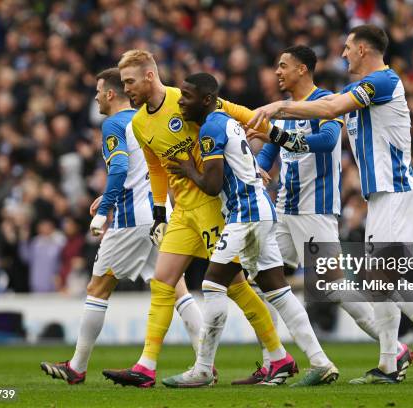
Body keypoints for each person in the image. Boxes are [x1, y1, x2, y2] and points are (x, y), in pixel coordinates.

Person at [248, 25, 413, 385]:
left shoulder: (383, 82)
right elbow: (324, 107)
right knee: (378, 280)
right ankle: (391, 364)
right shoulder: (354, 90)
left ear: (363, 49)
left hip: (396, 191)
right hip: (379, 197)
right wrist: (279, 125)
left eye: (348, 47)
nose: (344, 53)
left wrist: (277, 107)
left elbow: (331, 108)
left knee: (378, 277)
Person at [101, 50, 294, 388]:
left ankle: (279, 357)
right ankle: (145, 367)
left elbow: (234, 111)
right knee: (162, 282)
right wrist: (160, 212)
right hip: (182, 212)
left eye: (129, 81)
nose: (125, 88)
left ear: (149, 76)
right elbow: (157, 168)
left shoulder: (185, 99)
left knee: (235, 286)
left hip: (211, 206)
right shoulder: (138, 123)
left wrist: (276, 136)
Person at [238, 45, 413, 384]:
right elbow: (270, 148)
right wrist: (259, 168)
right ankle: (274, 361)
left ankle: (394, 348)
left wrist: (275, 133)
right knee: (262, 281)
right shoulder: (287, 110)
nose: (277, 72)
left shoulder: (325, 103)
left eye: (283, 66)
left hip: (315, 210)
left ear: (302, 69)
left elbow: (325, 142)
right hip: (285, 209)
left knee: (333, 288)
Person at [161, 72, 340, 388]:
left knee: (213, 284)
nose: (180, 102)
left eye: (186, 96)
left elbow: (214, 186)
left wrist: (189, 169)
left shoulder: (212, 127)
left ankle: (203, 368)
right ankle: (321, 362)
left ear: (206, 100)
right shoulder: (226, 119)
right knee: (278, 291)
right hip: (261, 210)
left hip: (245, 214)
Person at [40, 68, 202, 384]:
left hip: (131, 220)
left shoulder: (114, 123)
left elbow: (120, 167)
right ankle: (205, 363)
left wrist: (106, 207)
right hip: (160, 211)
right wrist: (108, 195)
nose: (97, 97)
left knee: (98, 288)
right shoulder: (144, 118)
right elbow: (142, 169)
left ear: (111, 94)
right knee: (176, 285)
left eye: (99, 91)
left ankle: (77, 366)